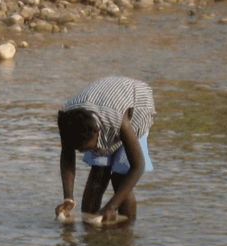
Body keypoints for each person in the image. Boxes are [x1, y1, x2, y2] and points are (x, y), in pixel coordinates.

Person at [55, 76, 155, 223]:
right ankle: (89, 230)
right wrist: (68, 199)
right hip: (103, 104)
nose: (85, 152)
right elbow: (67, 155)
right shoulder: (68, 121)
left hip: (137, 107)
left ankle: (126, 232)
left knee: (120, 177)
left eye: (88, 148)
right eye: (79, 150)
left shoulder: (118, 119)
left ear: (97, 130)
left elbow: (138, 166)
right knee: (98, 172)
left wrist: (112, 206)